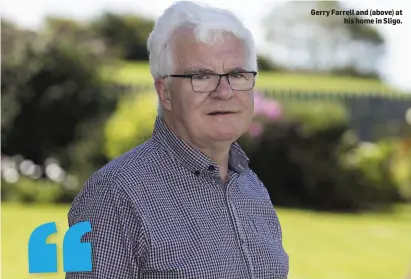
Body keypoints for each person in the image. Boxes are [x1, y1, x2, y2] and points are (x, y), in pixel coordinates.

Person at [65, 1, 289, 278]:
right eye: (201, 76)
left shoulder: (250, 188)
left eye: (237, 74)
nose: (225, 92)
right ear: (165, 92)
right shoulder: (113, 196)